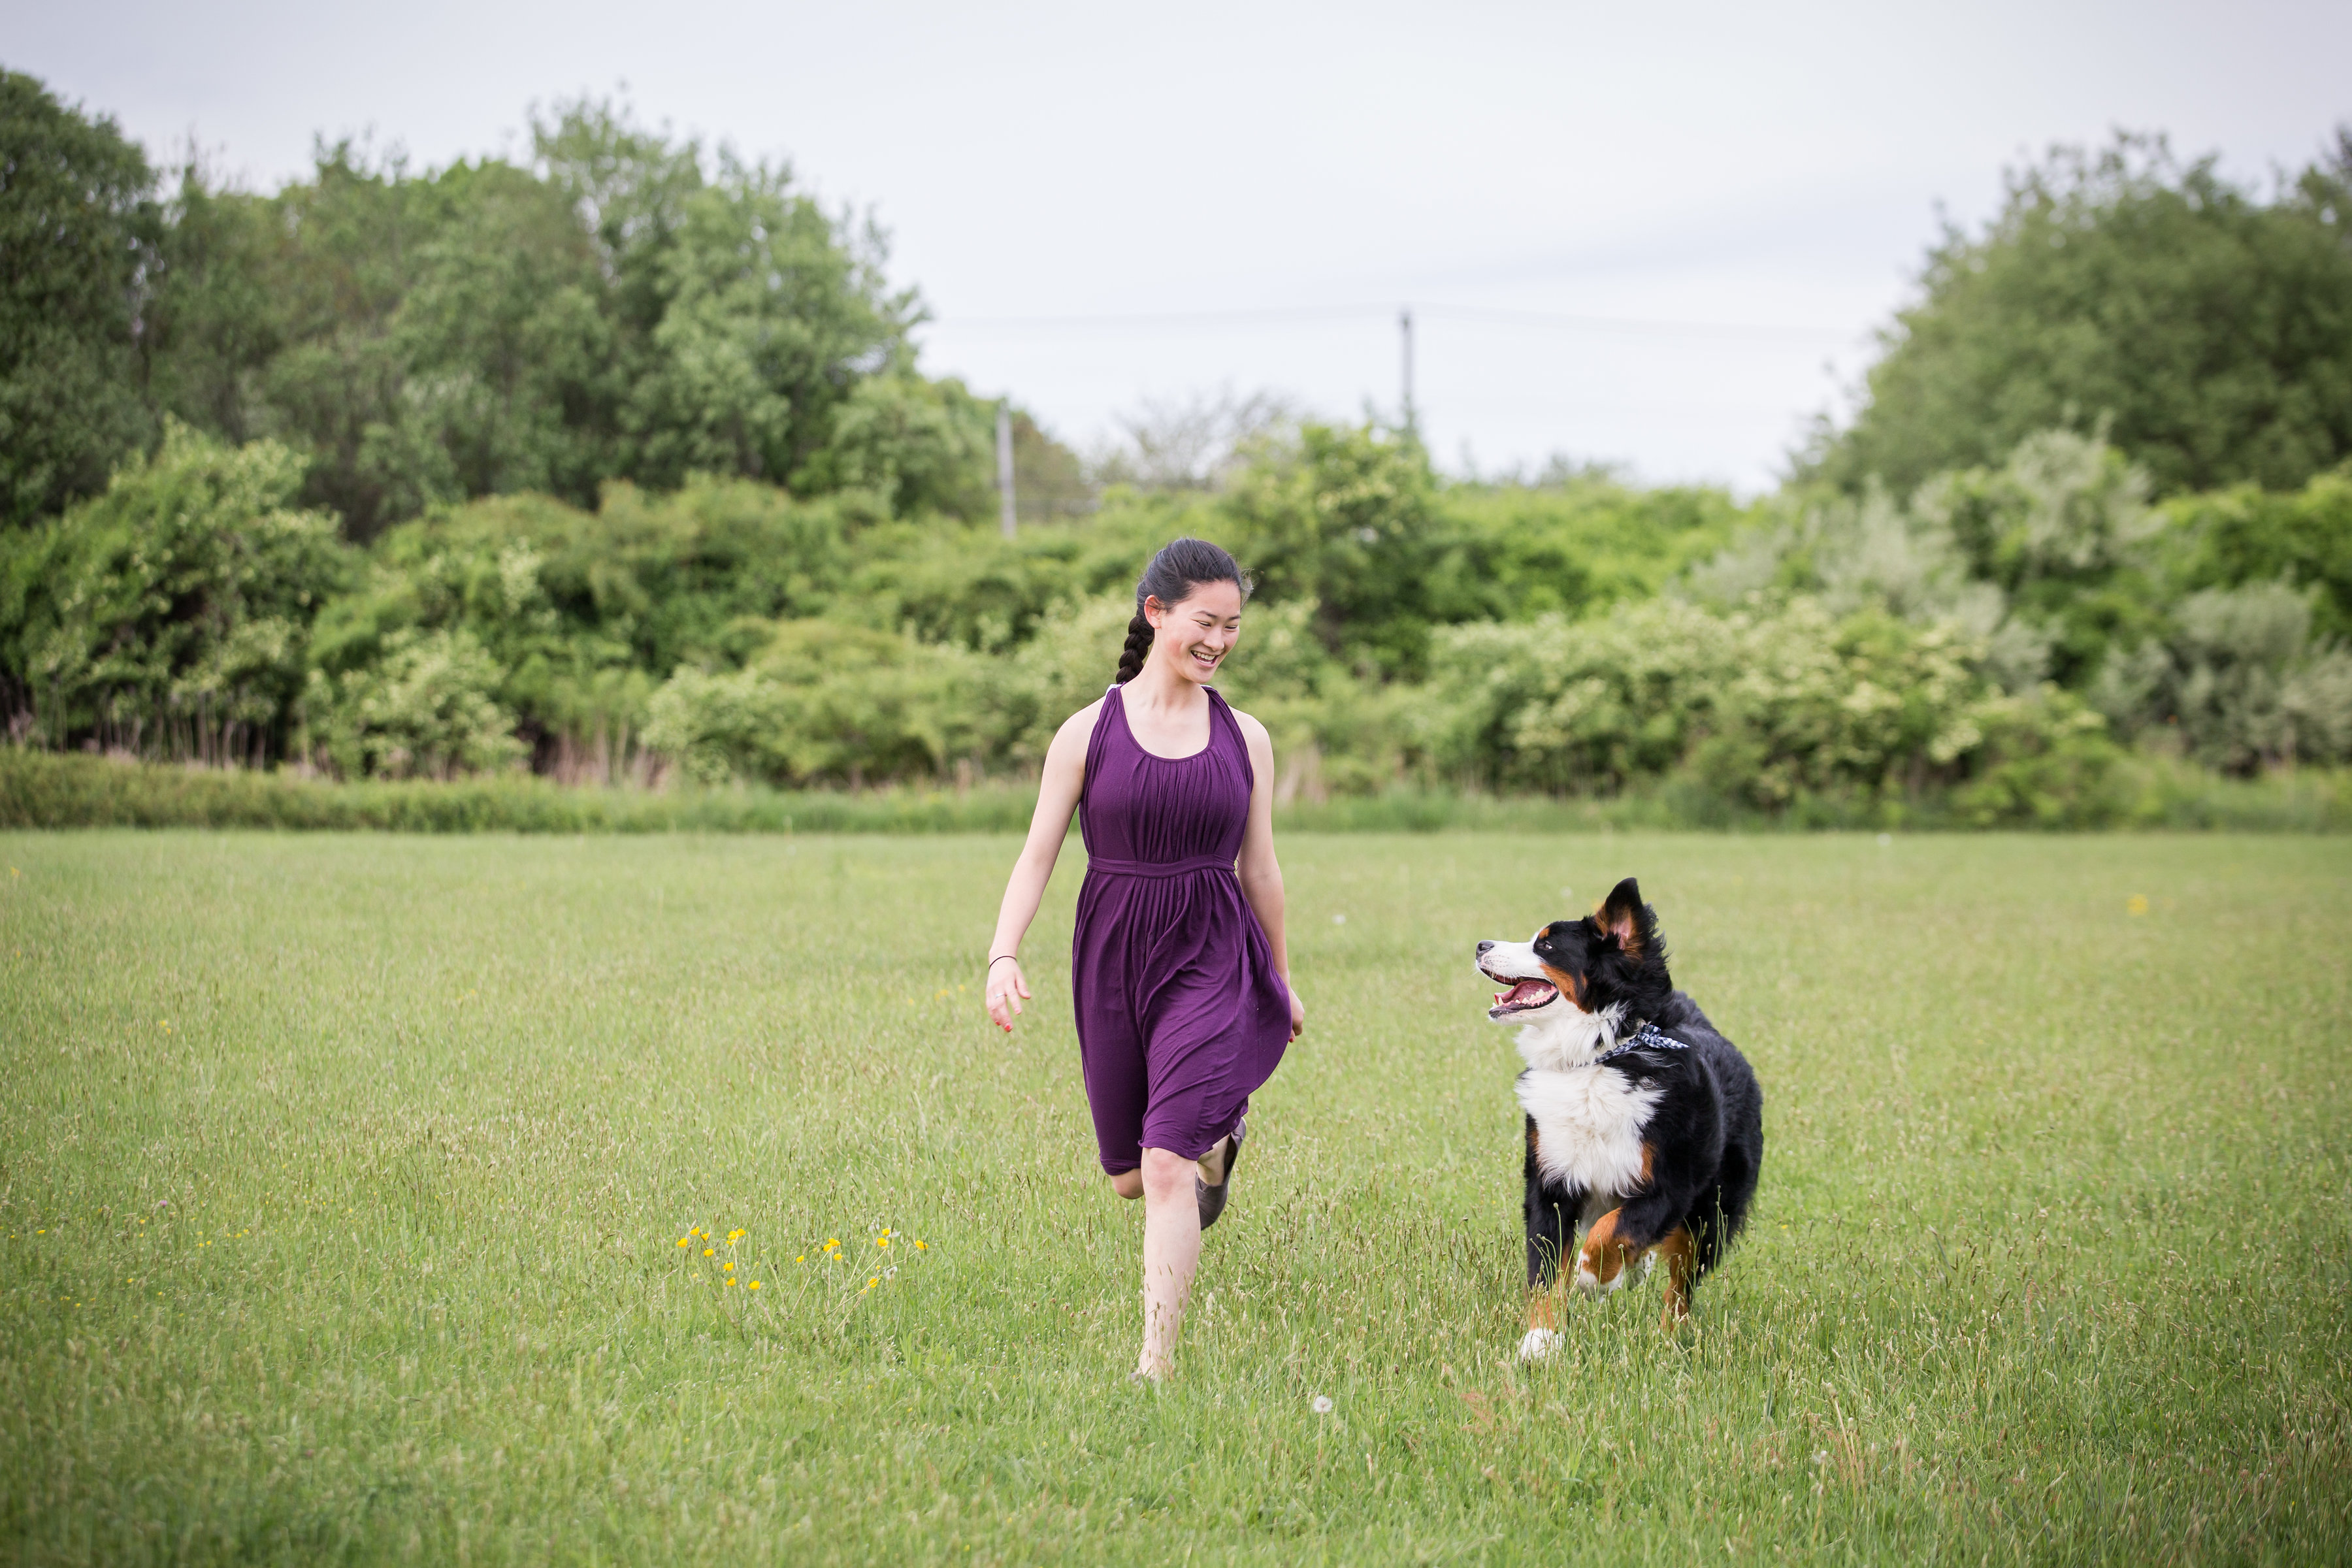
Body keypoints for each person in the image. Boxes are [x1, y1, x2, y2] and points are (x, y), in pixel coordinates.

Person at [984, 537, 1305, 1383]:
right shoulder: (1086, 733)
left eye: (1233, 626)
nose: (1220, 641)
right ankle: (1219, 1142)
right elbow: (1037, 855)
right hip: (1114, 955)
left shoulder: (1247, 738)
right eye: (1207, 622)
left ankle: (1153, 1365)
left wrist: (1279, 979)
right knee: (1130, 1177)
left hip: (1212, 949)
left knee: (1165, 1165)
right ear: (1156, 613)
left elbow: (1261, 870)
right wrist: (1002, 953)